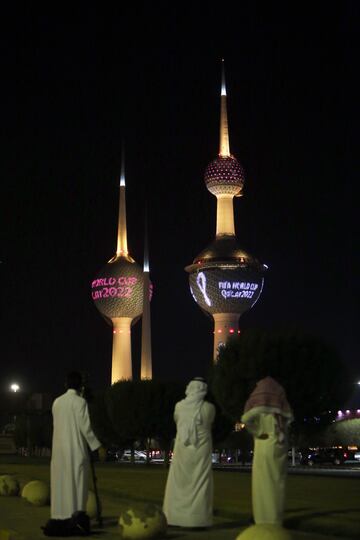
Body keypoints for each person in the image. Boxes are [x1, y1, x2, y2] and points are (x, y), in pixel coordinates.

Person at [47, 371, 101, 534]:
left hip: (59, 452)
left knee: (61, 484)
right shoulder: (80, 402)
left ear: (65, 384)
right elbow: (86, 428)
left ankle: (59, 517)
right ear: (81, 386)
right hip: (76, 450)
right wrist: (97, 446)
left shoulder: (56, 402)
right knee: (77, 486)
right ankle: (75, 518)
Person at [163, 377, 215, 528]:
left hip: (182, 449)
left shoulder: (179, 406)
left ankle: (175, 517)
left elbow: (177, 420)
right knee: (201, 482)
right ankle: (198, 520)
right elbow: (210, 422)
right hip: (201, 449)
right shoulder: (209, 408)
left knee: (179, 483)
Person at [241, 376, 293, 526]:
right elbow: (288, 420)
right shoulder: (281, 402)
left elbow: (246, 419)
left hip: (262, 444)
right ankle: (276, 519)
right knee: (278, 482)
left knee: (261, 484)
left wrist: (257, 431)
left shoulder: (256, 403)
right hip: (279, 445)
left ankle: (262, 518)